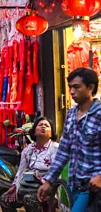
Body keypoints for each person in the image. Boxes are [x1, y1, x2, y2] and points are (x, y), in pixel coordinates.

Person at [38, 67, 101, 211]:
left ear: (90, 87)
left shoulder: (99, 114)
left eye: (76, 87)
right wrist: (48, 181)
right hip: (75, 184)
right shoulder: (71, 114)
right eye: (70, 87)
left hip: (94, 187)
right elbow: (64, 151)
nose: (72, 91)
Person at [0, 117, 58, 212]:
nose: (43, 127)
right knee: (4, 198)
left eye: (47, 126)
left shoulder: (55, 148)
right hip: (28, 185)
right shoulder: (28, 149)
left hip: (48, 187)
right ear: (34, 131)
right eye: (40, 125)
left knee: (29, 199)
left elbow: (57, 171)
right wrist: (14, 187)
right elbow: (21, 170)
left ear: (51, 133)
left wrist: (44, 182)